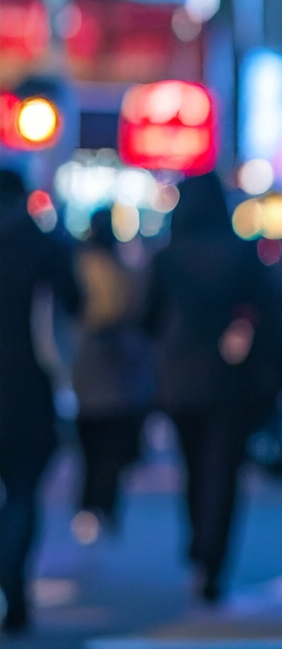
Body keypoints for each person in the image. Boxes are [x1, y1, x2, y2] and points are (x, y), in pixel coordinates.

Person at [144, 173, 275, 602]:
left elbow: (147, 317)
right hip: (231, 376)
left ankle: (198, 544)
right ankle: (214, 558)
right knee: (223, 472)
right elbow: (269, 308)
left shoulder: (167, 257)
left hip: (179, 377)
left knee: (192, 467)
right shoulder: (241, 254)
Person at [0, 171, 79, 635]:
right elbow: (75, 303)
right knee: (24, 490)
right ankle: (13, 581)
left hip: (25, 383)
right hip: (29, 385)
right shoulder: (44, 246)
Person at [71, 208, 153, 538]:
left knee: (91, 446)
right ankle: (104, 506)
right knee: (111, 448)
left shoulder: (78, 264)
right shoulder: (125, 267)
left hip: (89, 368)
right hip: (117, 371)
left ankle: (90, 505)